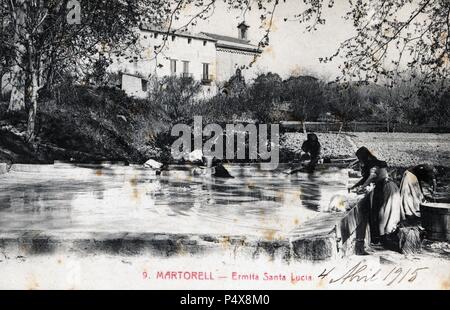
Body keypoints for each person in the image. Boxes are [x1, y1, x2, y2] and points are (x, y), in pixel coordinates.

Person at [351, 147, 402, 253]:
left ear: (363, 156)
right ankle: (382, 237)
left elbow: (371, 176)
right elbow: (366, 179)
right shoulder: (374, 162)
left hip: (387, 187)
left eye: (360, 158)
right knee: (383, 213)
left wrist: (361, 187)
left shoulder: (372, 163)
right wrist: (354, 186)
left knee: (382, 213)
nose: (359, 160)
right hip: (388, 186)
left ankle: (382, 239)